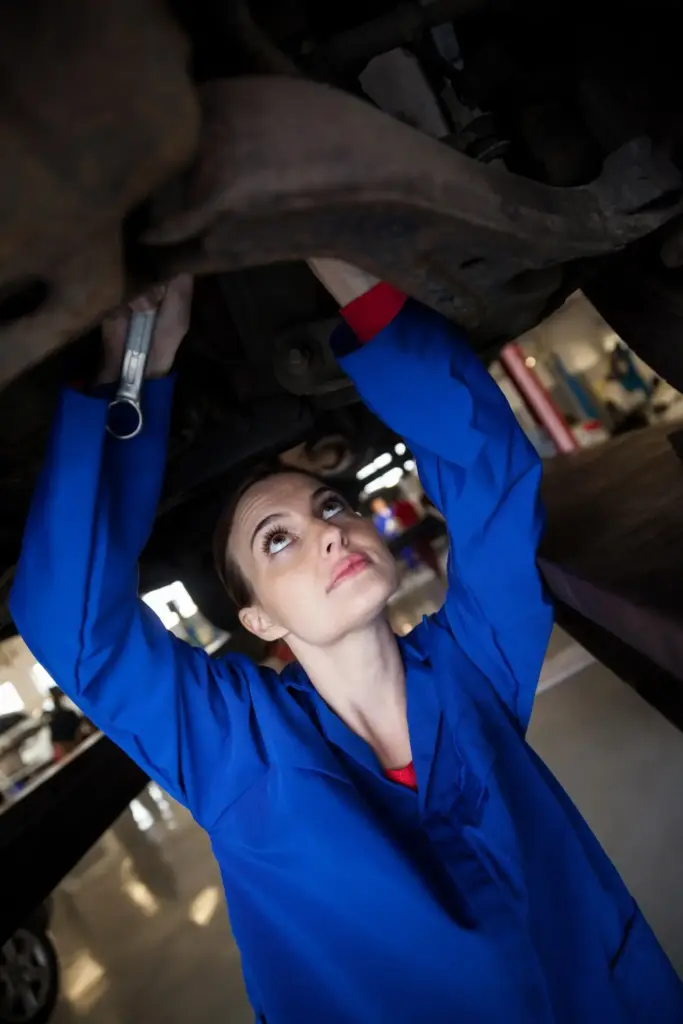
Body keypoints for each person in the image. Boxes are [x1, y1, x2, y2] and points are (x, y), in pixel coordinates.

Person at [10, 261, 682, 1023]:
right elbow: (71, 623)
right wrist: (135, 370)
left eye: (331, 506)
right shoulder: (236, 750)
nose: (328, 532)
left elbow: (487, 473)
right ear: (259, 620)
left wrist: (340, 253)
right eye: (277, 540)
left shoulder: (471, 666)